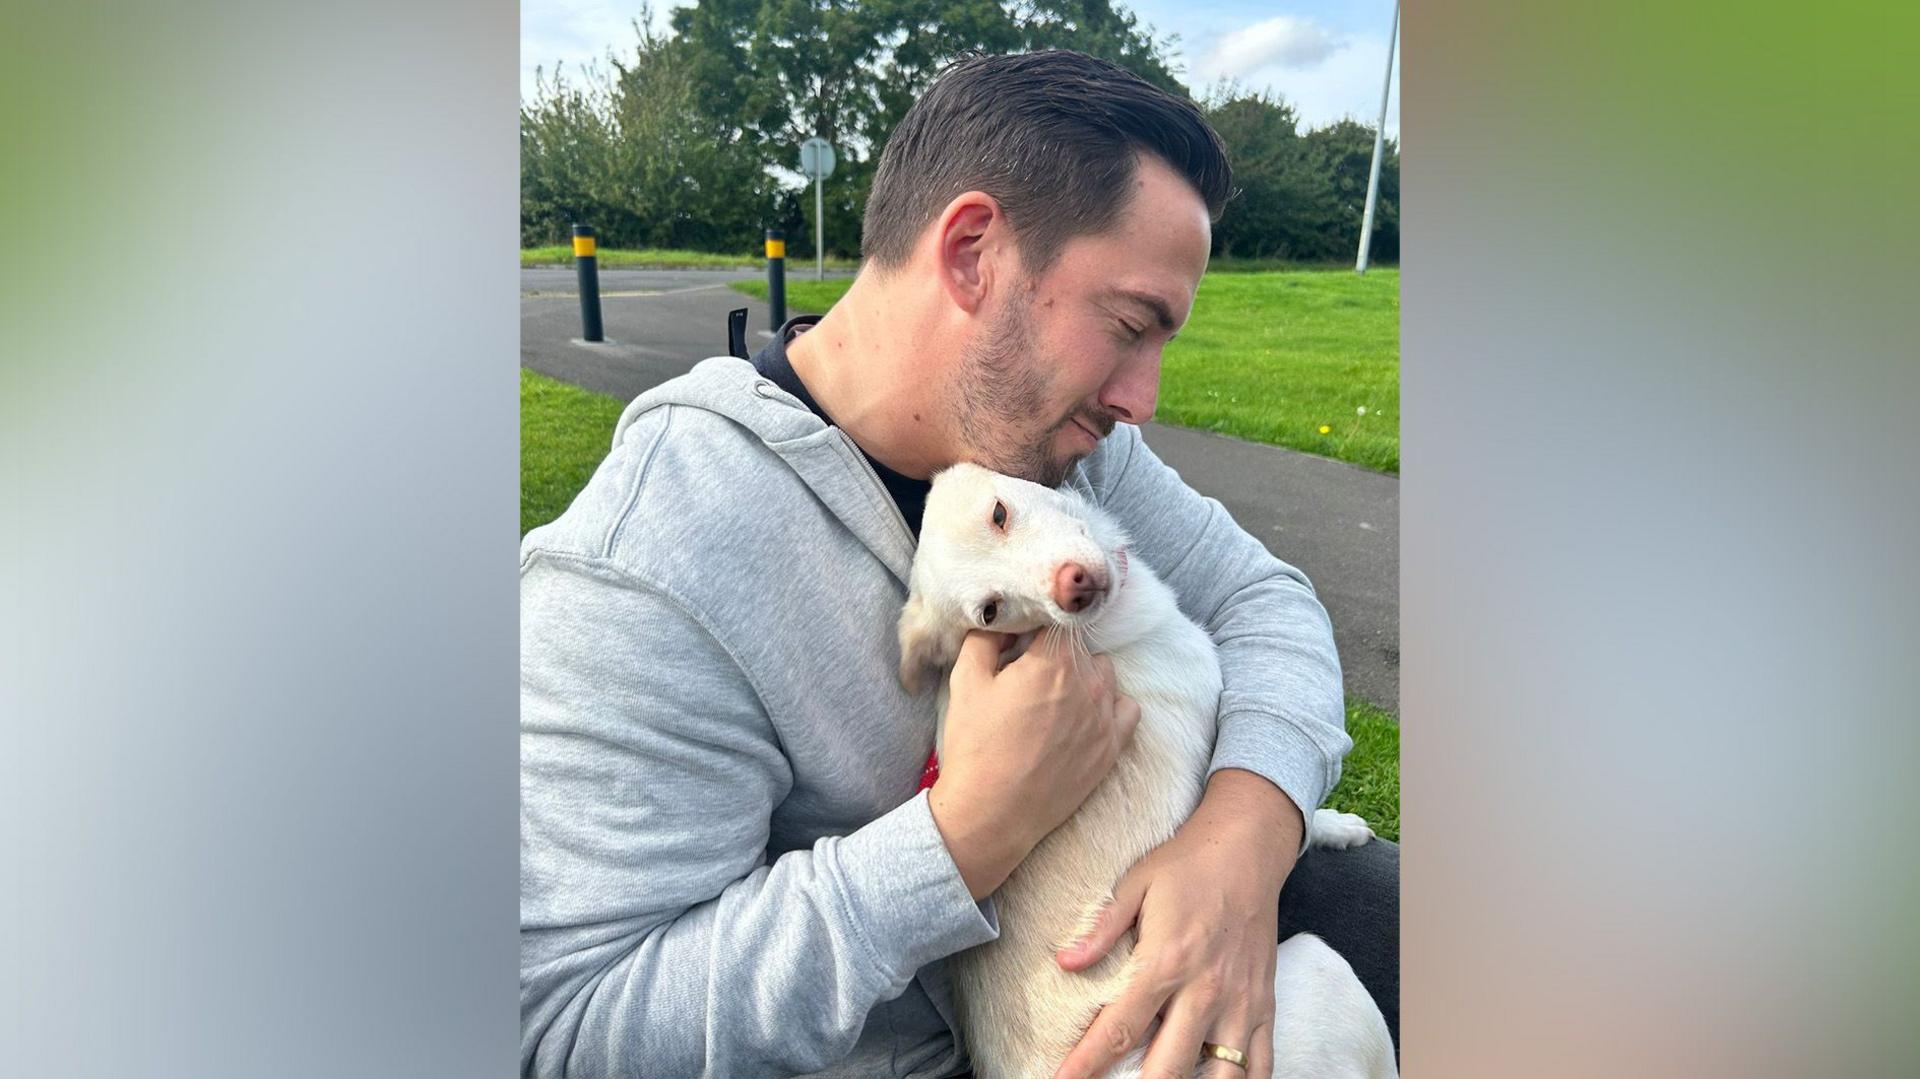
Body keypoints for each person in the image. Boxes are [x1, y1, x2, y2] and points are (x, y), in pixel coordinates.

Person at [520, 49, 1397, 1078]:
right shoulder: (644, 566)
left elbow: (1265, 599)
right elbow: (567, 1031)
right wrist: (961, 835)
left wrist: (1241, 837)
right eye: (1129, 325)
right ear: (974, 251)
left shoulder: (1059, 455)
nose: (1143, 400)